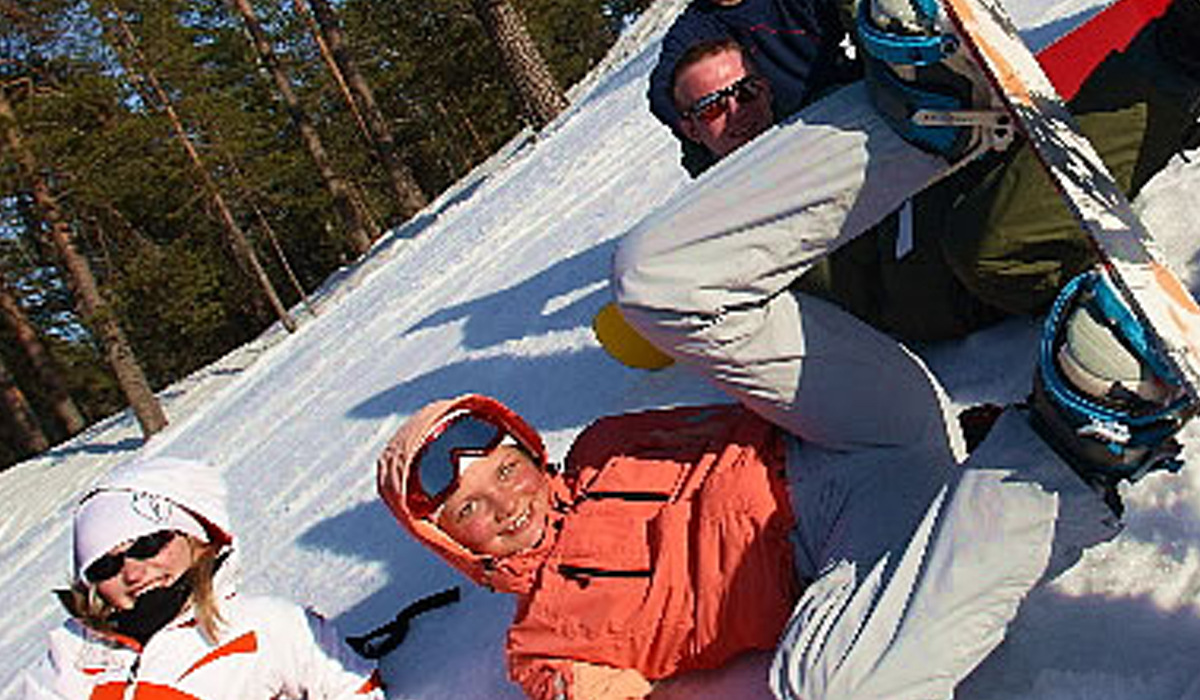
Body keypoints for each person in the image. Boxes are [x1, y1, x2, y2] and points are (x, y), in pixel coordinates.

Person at [23, 456, 383, 700]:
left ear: (196, 539)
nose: (132, 572)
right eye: (105, 566)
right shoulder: (70, 652)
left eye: (148, 544)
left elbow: (356, 692)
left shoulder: (265, 627)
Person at [647, 0, 858, 176]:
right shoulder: (696, 27)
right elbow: (662, 92)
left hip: (836, 104)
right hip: (768, 130)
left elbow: (864, 17)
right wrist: (710, 120)